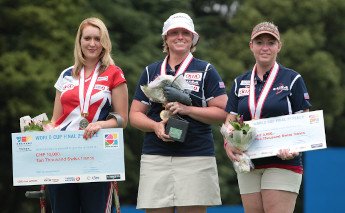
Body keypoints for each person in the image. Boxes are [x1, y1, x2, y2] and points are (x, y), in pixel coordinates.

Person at [129, 12, 227, 213]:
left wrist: (187, 109)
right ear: (165, 37)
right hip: (156, 155)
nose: (180, 36)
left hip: (196, 155)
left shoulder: (206, 70)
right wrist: (155, 125)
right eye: (174, 32)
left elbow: (223, 113)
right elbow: (135, 115)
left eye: (185, 33)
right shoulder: (151, 71)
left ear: (193, 38)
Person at [224, 22, 312, 213]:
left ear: (279, 46)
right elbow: (230, 121)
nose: (265, 47)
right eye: (259, 42)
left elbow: (303, 124)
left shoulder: (292, 79)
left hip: (282, 162)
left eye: (271, 43)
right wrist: (228, 143)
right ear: (251, 46)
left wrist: (294, 148)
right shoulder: (240, 82)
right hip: (249, 162)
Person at [48, 17, 128, 213]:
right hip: (63, 155)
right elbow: (55, 120)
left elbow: (123, 119)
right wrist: (43, 131)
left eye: (97, 39)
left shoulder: (114, 73)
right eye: (87, 38)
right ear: (79, 41)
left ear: (104, 43)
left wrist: (100, 124)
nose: (92, 44)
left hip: (96, 154)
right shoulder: (66, 74)